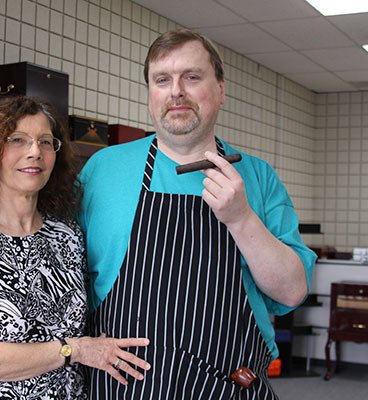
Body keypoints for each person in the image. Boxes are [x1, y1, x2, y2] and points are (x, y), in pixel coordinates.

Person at [78, 29, 317, 399]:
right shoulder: (103, 170)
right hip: (122, 385)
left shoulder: (257, 177)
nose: (176, 91)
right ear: (150, 93)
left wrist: (241, 218)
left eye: (191, 77)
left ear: (220, 90)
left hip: (228, 384)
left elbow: (291, 292)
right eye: (162, 80)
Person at [0, 96, 150, 400]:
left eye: (45, 142)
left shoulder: (67, 234)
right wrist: (74, 350)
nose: (34, 152)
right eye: (18, 140)